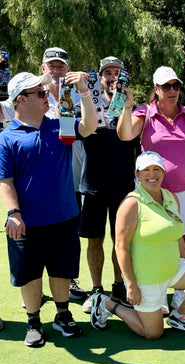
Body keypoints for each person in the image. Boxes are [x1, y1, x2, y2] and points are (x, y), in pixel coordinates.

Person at [0, 71, 97, 347]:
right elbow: (5, 181)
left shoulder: (60, 126)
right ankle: (33, 321)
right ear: (21, 99)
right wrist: (13, 213)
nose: (47, 96)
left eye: (45, 92)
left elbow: (89, 126)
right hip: (26, 223)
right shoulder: (7, 137)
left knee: (61, 270)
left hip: (65, 217)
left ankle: (63, 314)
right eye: (40, 93)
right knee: (29, 274)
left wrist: (84, 91)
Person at [90, 151, 185, 337]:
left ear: (163, 172)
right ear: (138, 175)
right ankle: (106, 304)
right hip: (146, 278)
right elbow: (121, 247)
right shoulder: (131, 203)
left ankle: (180, 316)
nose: (152, 174)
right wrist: (131, 285)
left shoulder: (171, 198)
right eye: (147, 170)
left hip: (172, 268)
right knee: (153, 333)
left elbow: (177, 236)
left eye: (157, 169)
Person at [117, 66, 185, 311]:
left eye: (175, 85)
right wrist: (127, 107)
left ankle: (178, 294)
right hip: (150, 191)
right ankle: (153, 293)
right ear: (156, 89)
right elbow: (124, 135)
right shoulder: (144, 113)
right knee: (148, 240)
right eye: (166, 86)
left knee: (180, 238)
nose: (172, 90)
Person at [80, 57, 141, 313]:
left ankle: (119, 285)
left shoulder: (133, 106)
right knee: (94, 241)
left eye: (117, 72)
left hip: (123, 186)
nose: (112, 76)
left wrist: (127, 106)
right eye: (107, 72)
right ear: (100, 77)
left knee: (121, 241)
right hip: (93, 185)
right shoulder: (89, 102)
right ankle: (96, 289)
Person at [41, 46, 87, 301]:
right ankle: (34, 286)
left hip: (73, 180)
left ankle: (69, 280)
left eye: (61, 66)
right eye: (52, 66)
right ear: (43, 69)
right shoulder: (33, 96)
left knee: (70, 235)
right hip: (40, 182)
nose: (56, 71)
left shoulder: (81, 97)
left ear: (68, 69)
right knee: (38, 235)